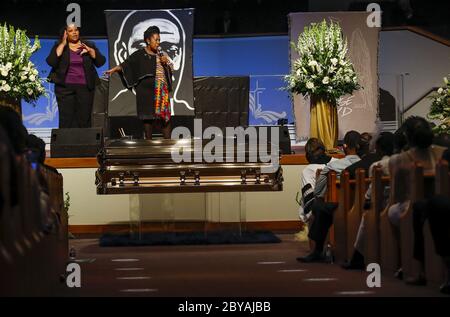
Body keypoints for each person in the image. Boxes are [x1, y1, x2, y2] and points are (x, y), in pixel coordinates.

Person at [297, 131, 362, 263]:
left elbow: (313, 196)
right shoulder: (347, 162)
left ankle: (316, 250)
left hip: (333, 206)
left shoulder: (323, 168)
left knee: (313, 207)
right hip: (358, 203)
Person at [105, 26, 174, 139]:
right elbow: (126, 64)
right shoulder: (139, 54)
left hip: (161, 91)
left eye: (159, 40)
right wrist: (114, 69)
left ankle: (168, 144)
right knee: (148, 119)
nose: (158, 43)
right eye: (155, 40)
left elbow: (171, 69)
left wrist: (166, 62)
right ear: (148, 40)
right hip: (145, 92)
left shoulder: (162, 54)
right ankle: (149, 144)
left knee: (165, 118)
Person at [46, 24, 106, 128]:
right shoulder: (59, 46)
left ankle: (84, 142)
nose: (74, 32)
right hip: (64, 88)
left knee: (84, 118)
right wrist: (63, 43)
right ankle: (65, 143)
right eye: (70, 31)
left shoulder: (87, 45)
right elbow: (51, 61)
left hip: (85, 88)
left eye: (76, 30)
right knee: (66, 118)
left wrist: (91, 51)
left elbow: (100, 62)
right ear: (65, 33)